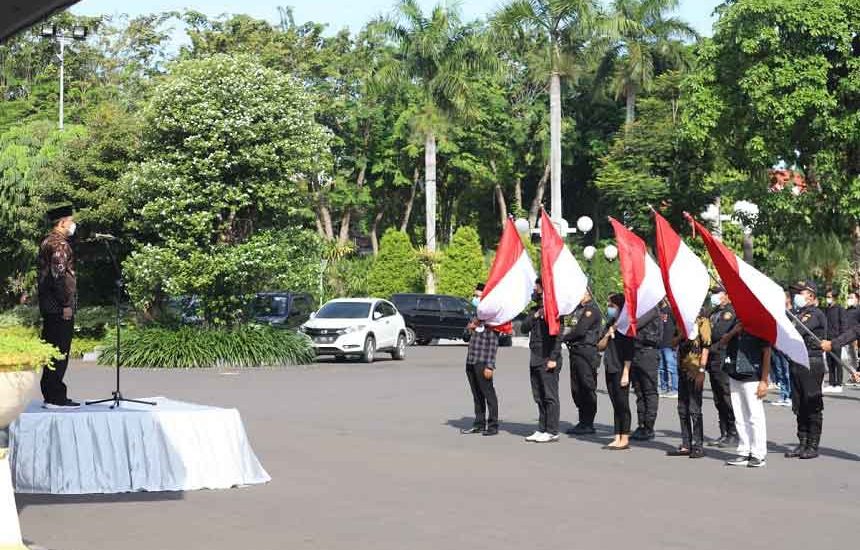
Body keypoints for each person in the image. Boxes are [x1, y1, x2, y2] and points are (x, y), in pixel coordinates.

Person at [38, 204, 80, 409]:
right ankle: (55, 397)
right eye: (71, 221)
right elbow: (59, 276)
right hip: (58, 307)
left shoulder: (48, 241)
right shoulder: (60, 245)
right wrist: (66, 304)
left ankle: (51, 394)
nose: (73, 224)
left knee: (52, 349)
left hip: (48, 306)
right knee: (59, 350)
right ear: (63, 223)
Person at [785, 280, 827, 459]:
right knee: (799, 404)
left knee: (812, 404)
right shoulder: (798, 313)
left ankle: (812, 444)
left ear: (811, 296)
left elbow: (795, 331)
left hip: (811, 362)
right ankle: (802, 442)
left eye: (801, 293)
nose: (797, 296)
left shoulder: (814, 314)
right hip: (797, 362)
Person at [520, 279, 563, 443]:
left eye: (536, 287)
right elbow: (524, 328)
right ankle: (542, 428)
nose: (534, 290)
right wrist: (536, 315)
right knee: (539, 395)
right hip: (535, 356)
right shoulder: (535, 310)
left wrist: (553, 358)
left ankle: (552, 430)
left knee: (550, 395)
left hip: (548, 357)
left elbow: (559, 336)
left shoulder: (555, 310)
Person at [724, 329, 772, 468]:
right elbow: (722, 341)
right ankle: (744, 451)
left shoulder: (760, 327)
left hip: (753, 376)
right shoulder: (736, 325)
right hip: (735, 374)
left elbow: (767, 353)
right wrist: (734, 330)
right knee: (739, 416)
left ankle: (758, 454)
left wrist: (764, 380)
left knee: (755, 416)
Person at [667, 310, 710, 459]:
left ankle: (698, 445)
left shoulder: (702, 320)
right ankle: (686, 444)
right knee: (682, 408)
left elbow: (706, 346)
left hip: (695, 369)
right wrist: (681, 335)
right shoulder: (681, 319)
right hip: (682, 368)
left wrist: (702, 370)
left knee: (694, 409)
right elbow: (672, 343)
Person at [462, 283, 501, 436]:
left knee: (488, 393)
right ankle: (479, 423)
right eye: (475, 296)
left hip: (483, 362)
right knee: (476, 394)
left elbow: (493, 344)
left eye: (478, 296)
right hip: (471, 360)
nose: (475, 299)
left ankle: (492, 425)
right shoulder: (476, 317)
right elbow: (465, 337)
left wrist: (490, 366)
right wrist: (469, 328)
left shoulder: (492, 320)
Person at [563, 289, 602, 435]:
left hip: (586, 351)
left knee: (587, 386)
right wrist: (564, 333)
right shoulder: (577, 310)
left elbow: (579, 331)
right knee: (576, 388)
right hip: (575, 351)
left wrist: (563, 337)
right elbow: (568, 326)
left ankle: (588, 423)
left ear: (587, 295)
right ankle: (582, 420)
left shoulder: (591, 311)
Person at [598, 293, 634, 450]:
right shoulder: (610, 323)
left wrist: (626, 372)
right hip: (609, 366)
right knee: (615, 404)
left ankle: (624, 437)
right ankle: (617, 436)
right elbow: (600, 346)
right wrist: (608, 333)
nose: (609, 308)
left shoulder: (626, 326)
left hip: (621, 369)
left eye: (612, 306)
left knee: (622, 403)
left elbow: (629, 352)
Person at [705, 285, 738, 448]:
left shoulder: (730, 311)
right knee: (718, 397)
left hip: (723, 356)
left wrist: (706, 333)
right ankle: (724, 431)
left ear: (726, 295)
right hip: (712, 356)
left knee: (726, 395)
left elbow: (717, 332)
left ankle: (734, 432)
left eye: (717, 293)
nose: (714, 297)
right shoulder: (713, 312)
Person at [630, 305, 663, 441]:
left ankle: (648, 426)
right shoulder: (642, 309)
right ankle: (641, 424)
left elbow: (634, 325)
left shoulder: (651, 308)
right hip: (637, 352)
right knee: (639, 391)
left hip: (648, 353)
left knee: (649, 391)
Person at [823, 286, 847, 393]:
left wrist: (842, 339)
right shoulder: (826, 309)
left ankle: (839, 383)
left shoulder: (840, 309)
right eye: (827, 296)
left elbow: (843, 324)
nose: (827, 298)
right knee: (829, 361)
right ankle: (832, 383)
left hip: (837, 339)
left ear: (834, 298)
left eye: (829, 297)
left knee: (837, 361)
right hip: (828, 339)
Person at [657, 300, 679, 398]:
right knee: (661, 368)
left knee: (672, 367)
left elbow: (678, 325)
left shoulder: (671, 311)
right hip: (660, 344)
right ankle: (664, 388)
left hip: (669, 344)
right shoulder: (658, 311)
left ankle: (675, 389)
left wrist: (676, 341)